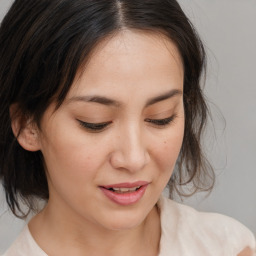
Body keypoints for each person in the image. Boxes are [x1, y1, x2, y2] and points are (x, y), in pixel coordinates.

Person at [0, 0, 255, 255]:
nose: (133, 159)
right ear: (27, 124)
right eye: (95, 122)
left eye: (160, 117)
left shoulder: (229, 249)